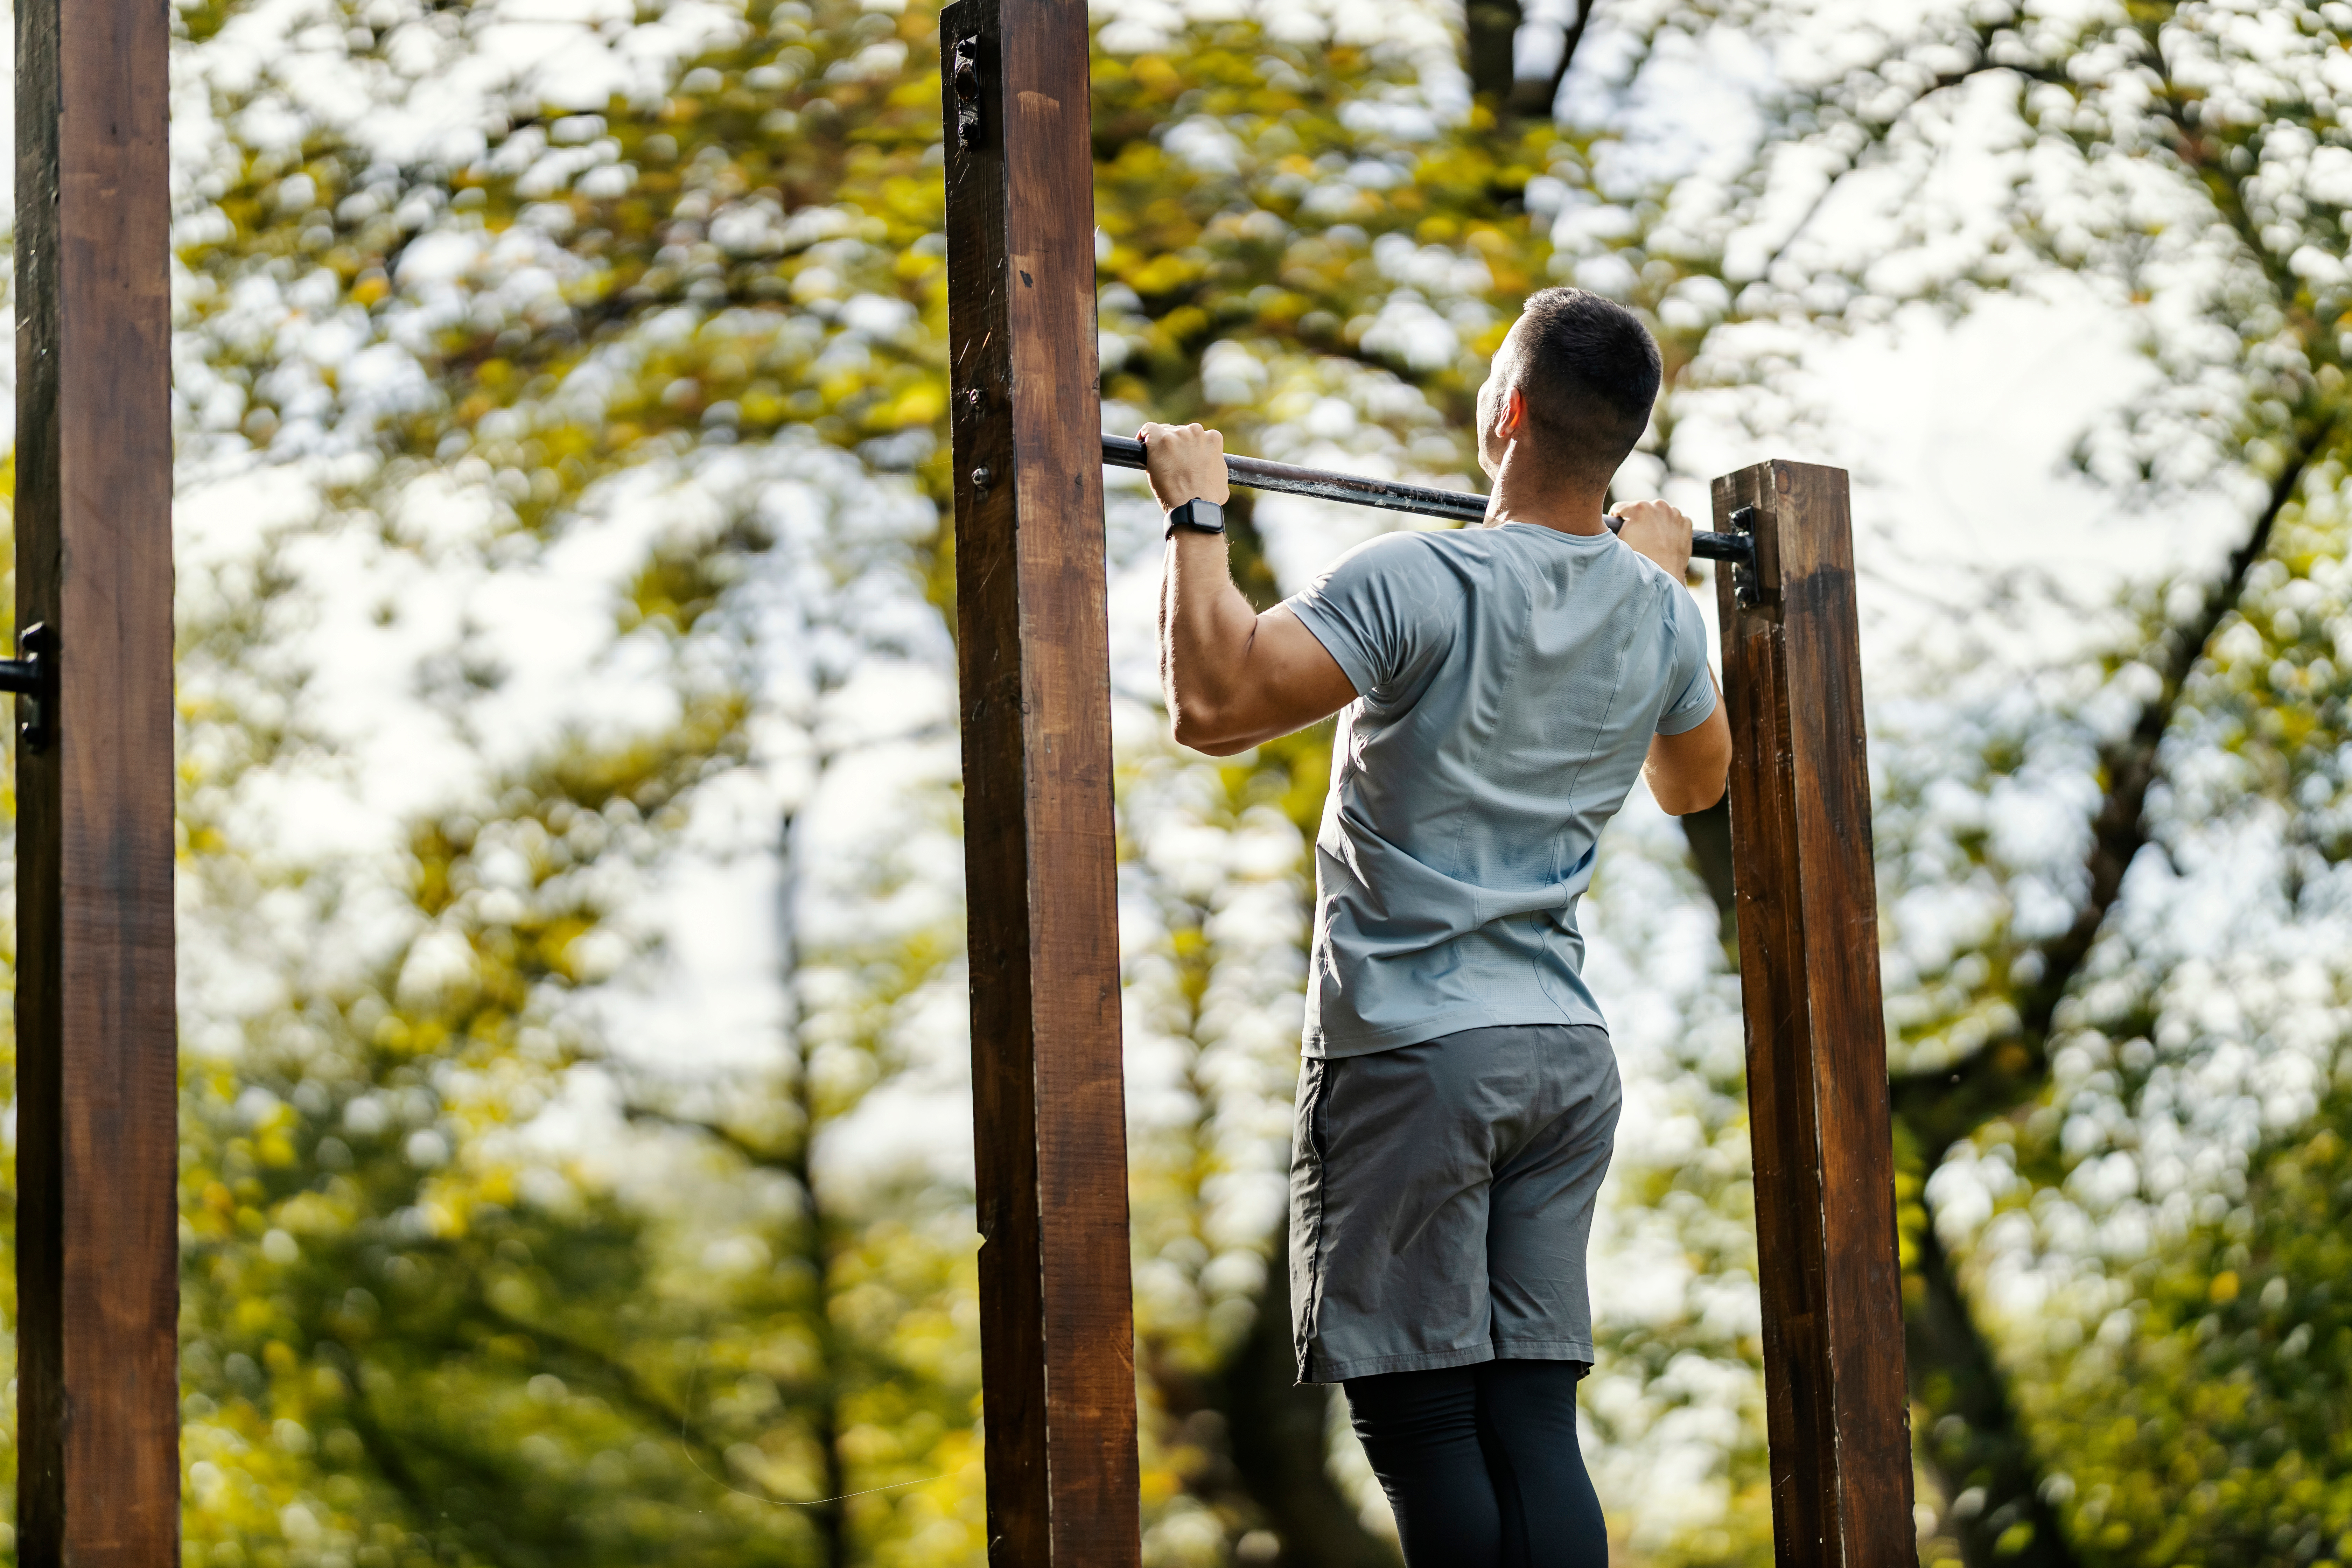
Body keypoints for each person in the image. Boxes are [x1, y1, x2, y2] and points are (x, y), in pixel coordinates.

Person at [1140, 286, 1731, 1567]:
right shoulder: (1658, 608)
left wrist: (1195, 516)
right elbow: (1696, 781)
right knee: (1529, 1420)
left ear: (1506, 412)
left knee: (1420, 1425)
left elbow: (1216, 701)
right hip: (1563, 1060)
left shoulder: (1422, 575)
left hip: (1416, 1052)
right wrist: (1657, 593)